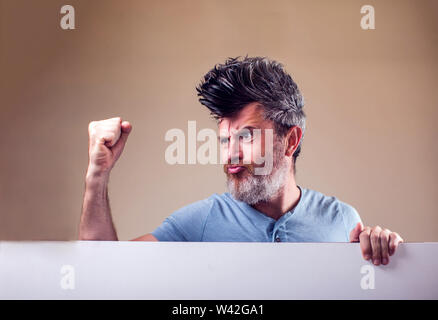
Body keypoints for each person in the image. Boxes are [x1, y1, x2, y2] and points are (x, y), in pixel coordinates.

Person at [79, 56, 404, 266]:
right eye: (224, 140)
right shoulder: (200, 222)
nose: (230, 154)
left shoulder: (344, 221)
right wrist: (98, 175)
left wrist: (392, 258)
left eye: (246, 136)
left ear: (290, 141)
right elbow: (103, 271)